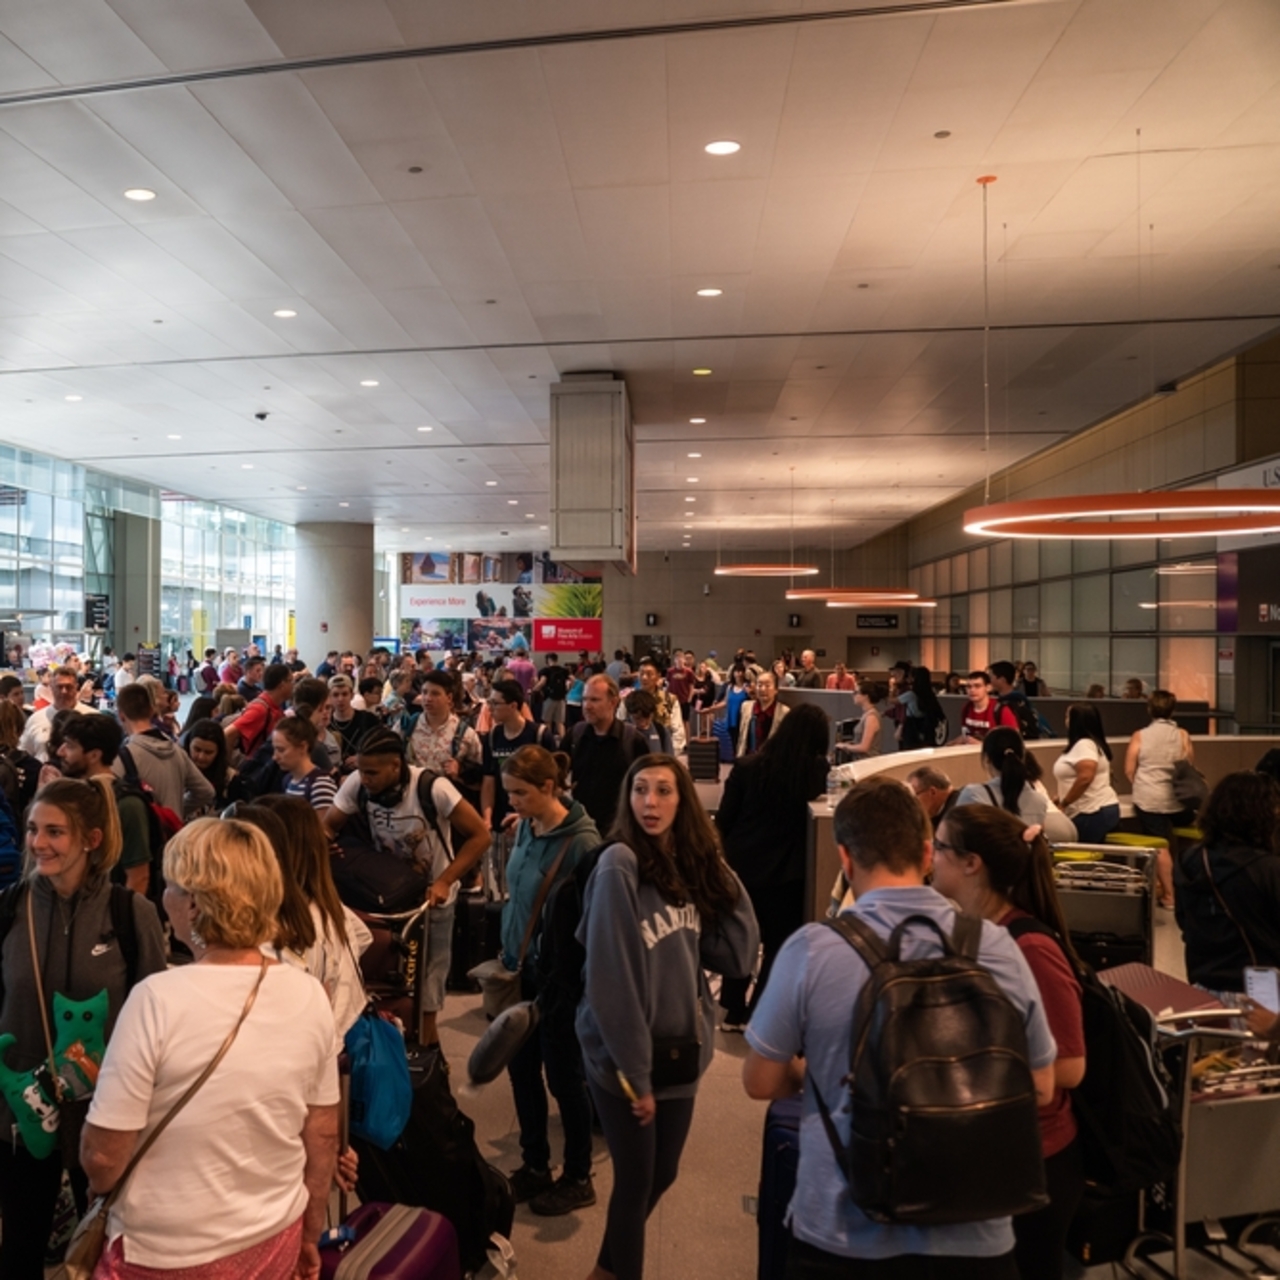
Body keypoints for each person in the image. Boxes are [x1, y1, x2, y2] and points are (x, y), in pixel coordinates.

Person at [741, 775, 1056, 1279]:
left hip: (844, 1231)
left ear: (845, 859)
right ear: (928, 853)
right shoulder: (996, 947)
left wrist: (814, 1073)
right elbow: (1041, 1085)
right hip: (975, 1234)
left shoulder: (812, 949)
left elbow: (760, 1081)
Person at [81, 817, 340, 1280]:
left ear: (195, 905)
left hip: (164, 1251)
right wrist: (309, 1234)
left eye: (171, 887)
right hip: (272, 1236)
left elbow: (103, 1159)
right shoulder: (308, 994)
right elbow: (321, 1135)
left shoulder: (156, 999)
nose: (164, 899)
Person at [577, 754, 758, 1280]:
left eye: (663, 791)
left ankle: (603, 1273)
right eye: (640, 791)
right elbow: (612, 980)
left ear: (685, 802)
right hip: (622, 1057)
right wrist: (635, 1075)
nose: (650, 803)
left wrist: (711, 862)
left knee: (663, 1174)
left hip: (680, 1052)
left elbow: (739, 954)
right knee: (635, 1184)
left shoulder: (684, 866)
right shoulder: (619, 866)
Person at [0, 777, 167, 1278]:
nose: (38, 843)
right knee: (20, 1243)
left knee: (106, 1241)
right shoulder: (10, 907)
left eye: (55, 832)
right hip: (19, 1105)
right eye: (33, 829)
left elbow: (156, 1016)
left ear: (91, 840)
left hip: (104, 1108)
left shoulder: (129, 913)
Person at [930, 804, 1085, 1280]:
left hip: (1035, 1157)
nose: (930, 858)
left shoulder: (1032, 949)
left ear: (971, 862)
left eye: (939, 848)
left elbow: (1071, 1066)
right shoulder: (977, 933)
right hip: (995, 1151)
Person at [323, 729, 489, 1045]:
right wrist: (323, 845)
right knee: (388, 978)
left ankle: (427, 1052)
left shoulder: (433, 788)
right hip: (388, 896)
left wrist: (444, 881)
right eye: (361, 770)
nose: (364, 778)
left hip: (433, 899)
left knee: (429, 983)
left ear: (396, 766)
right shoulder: (356, 785)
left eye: (372, 772)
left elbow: (481, 836)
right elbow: (330, 824)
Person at [497, 747, 602, 1215]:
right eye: (509, 793)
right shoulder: (525, 828)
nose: (513, 801)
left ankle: (578, 1175)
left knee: (565, 1078)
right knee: (522, 1072)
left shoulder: (582, 844)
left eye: (521, 793)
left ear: (549, 787)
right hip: (520, 969)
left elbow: (592, 924)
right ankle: (535, 1164)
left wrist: (569, 985)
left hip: (559, 979)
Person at [717, 703, 830, 1030]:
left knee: (742, 939)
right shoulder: (815, 772)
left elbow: (724, 819)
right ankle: (759, 1012)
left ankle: (733, 1010)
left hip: (744, 869)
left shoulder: (747, 766)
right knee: (780, 947)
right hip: (789, 875)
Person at [250, 795, 373, 1038]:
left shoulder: (284, 930)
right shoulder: (327, 906)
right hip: (339, 1035)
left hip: (314, 1048)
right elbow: (364, 936)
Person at [1174, 770, 1280, 993]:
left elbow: (1184, 921)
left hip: (1203, 987)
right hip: (1261, 994)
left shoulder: (1189, 860)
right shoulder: (1267, 869)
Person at [1125, 689, 1196, 908]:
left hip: (1150, 799)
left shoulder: (1140, 735)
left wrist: (1145, 785)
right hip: (1178, 800)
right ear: (1173, 710)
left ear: (1150, 709)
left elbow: (1129, 769)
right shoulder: (1183, 735)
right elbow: (1189, 766)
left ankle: (1170, 895)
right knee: (1178, 834)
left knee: (1159, 844)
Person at [956, 728, 1077, 844]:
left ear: (987, 759)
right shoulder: (1039, 802)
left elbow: (959, 840)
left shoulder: (972, 796)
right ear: (1023, 758)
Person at [113, 683, 216, 819]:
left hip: (145, 836)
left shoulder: (124, 757)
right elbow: (206, 791)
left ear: (121, 715)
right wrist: (174, 812)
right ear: (151, 710)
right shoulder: (176, 750)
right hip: (176, 834)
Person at [570, 675, 650, 833]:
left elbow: (646, 787)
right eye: (585, 699)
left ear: (613, 702)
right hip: (581, 828)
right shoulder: (575, 735)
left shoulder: (632, 739)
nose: (587, 706)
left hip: (619, 829)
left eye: (594, 700)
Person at [1052, 703, 1120, 844]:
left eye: (1068, 716)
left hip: (1091, 811)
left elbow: (1085, 777)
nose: (1066, 720)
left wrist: (1064, 803)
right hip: (1100, 808)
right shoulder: (1092, 744)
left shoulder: (1084, 744)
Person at [17, 665, 100, 762]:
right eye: (59, 687)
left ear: (76, 687)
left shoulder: (93, 717)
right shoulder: (35, 719)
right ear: (51, 687)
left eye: (68, 687)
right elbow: (24, 753)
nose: (64, 691)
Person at [224, 662, 295, 760]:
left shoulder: (274, 705)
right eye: (291, 681)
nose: (293, 686)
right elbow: (228, 734)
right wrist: (227, 768)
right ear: (282, 685)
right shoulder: (260, 709)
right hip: (254, 767)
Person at [272, 716, 338, 811]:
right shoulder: (288, 780)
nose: (275, 757)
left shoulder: (320, 785)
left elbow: (322, 825)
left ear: (303, 747)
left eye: (281, 750)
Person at [181, 718, 237, 813]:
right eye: (197, 750)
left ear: (218, 753)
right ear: (188, 745)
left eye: (208, 752)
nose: (201, 757)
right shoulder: (175, 769)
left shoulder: (230, 779)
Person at [327, 674, 380, 770]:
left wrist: (362, 759)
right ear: (329, 698)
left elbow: (381, 748)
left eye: (344, 694)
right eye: (335, 695)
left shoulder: (369, 719)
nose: (340, 699)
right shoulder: (326, 723)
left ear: (351, 695)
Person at [952, 670, 1018, 744]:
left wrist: (981, 745)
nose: (972, 690)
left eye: (977, 686)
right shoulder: (966, 708)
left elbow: (1014, 741)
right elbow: (965, 735)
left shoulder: (1001, 710)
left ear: (988, 688)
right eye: (969, 687)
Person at [737, 669, 790, 757]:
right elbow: (741, 738)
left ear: (776, 690)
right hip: (748, 760)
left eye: (767, 685)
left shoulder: (784, 712)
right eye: (759, 685)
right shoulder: (746, 707)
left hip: (771, 763)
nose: (763, 689)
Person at [898, 666, 945, 750]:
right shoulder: (930, 697)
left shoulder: (911, 695)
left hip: (913, 733)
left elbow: (893, 701)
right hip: (929, 735)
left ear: (914, 678)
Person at [906, 765, 960, 831]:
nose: (913, 804)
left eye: (915, 797)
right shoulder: (940, 811)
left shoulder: (957, 815)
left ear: (932, 792)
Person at [844, 680, 885, 759]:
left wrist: (845, 746)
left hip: (867, 762)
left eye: (856, 692)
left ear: (866, 696)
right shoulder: (867, 715)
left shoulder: (871, 717)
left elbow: (864, 747)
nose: (853, 695)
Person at [627, 689, 672, 755]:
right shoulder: (623, 733)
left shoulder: (661, 731)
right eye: (638, 718)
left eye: (647, 718)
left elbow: (670, 759)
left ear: (652, 714)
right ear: (630, 714)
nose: (643, 723)